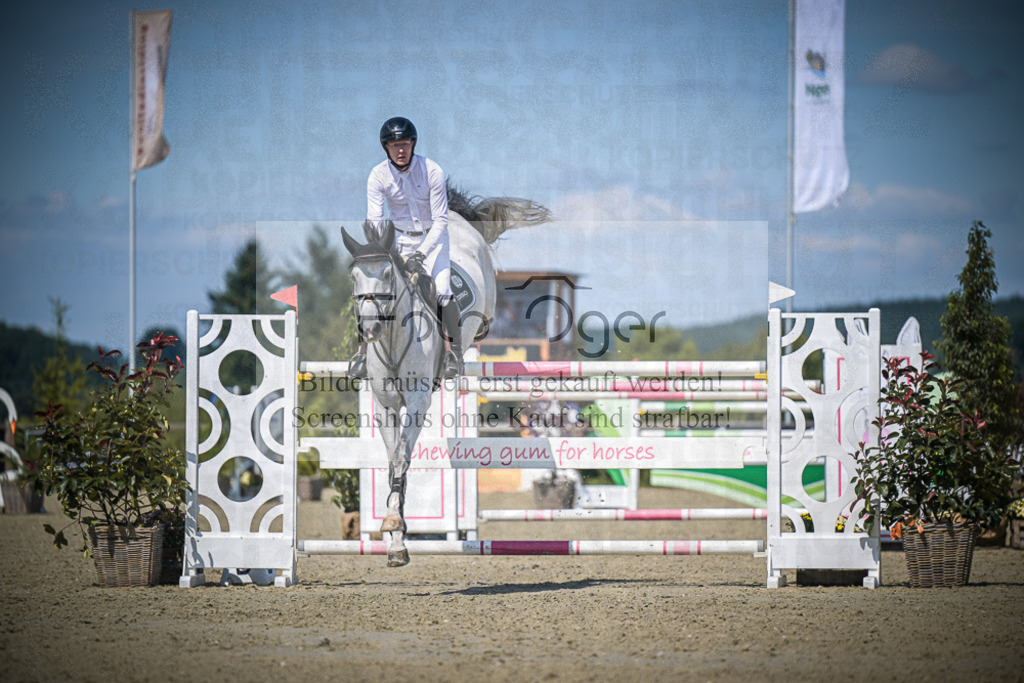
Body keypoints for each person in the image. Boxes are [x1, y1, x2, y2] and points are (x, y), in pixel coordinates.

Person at [348, 117, 464, 380]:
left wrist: (421, 253)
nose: (400, 150)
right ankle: (362, 354)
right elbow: (375, 220)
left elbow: (441, 221)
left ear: (413, 143)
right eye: (394, 145)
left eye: (404, 144)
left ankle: (452, 355)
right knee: (373, 291)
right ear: (386, 147)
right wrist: (376, 248)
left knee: (442, 292)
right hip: (397, 242)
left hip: (433, 241)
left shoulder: (432, 171)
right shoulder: (377, 175)